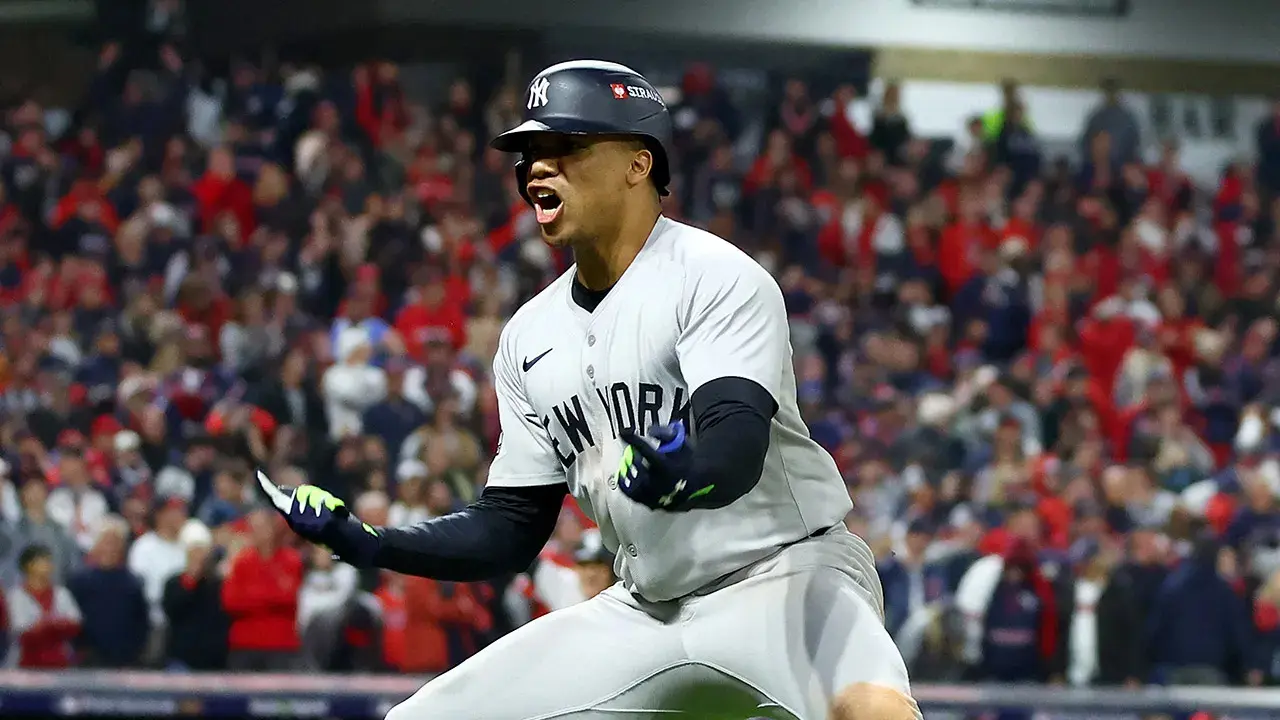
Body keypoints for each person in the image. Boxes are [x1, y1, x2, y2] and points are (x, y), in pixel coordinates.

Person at [260, 60, 919, 719]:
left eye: (567, 147)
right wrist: (374, 542)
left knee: (873, 713)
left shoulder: (714, 276)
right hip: (647, 610)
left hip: (786, 576)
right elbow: (511, 526)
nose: (537, 168)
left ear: (639, 163)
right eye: (530, 153)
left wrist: (680, 475)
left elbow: (736, 445)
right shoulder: (529, 333)